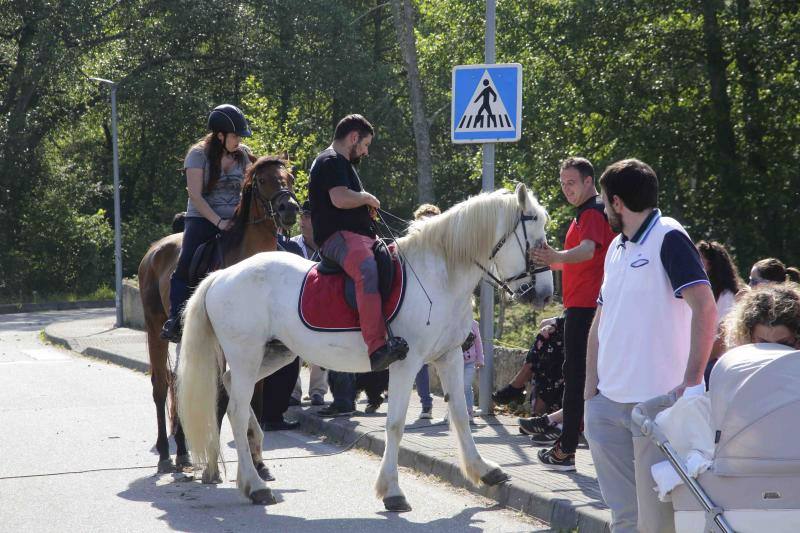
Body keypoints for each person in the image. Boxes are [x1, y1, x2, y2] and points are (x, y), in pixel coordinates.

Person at [583, 159, 717, 533]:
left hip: (654, 407)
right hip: (605, 404)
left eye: (605, 204)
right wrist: (589, 389)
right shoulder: (615, 248)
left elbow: (705, 308)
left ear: (617, 202)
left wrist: (691, 381)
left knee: (658, 523)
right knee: (624, 519)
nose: (604, 210)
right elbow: (600, 321)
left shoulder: (670, 236)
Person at [522, 157, 616, 471]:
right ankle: (569, 444)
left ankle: (566, 451)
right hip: (583, 307)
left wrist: (557, 255)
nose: (566, 189)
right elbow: (575, 260)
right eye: (563, 183)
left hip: (588, 307)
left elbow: (588, 250)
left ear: (589, 181)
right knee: (580, 377)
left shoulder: (592, 211)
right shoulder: (585, 214)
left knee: (577, 378)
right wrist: (548, 259)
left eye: (571, 182)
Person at [307, 113, 408, 373]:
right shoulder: (329, 160)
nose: (365, 152)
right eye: (364, 145)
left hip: (359, 236)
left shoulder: (344, 164)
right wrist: (366, 198)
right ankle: (376, 348)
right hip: (337, 238)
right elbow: (339, 199)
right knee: (366, 269)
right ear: (353, 137)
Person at [161, 104, 253, 342]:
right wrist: (219, 222)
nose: (239, 141)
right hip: (202, 218)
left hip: (235, 220)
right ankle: (176, 320)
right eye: (235, 136)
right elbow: (195, 195)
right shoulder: (197, 154)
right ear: (220, 135)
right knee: (186, 262)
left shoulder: (243, 155)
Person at [258, 233, 304, 431]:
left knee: (289, 363)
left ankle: (274, 415)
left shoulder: (292, 248)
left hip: (284, 315)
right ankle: (177, 314)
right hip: (258, 315)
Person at [290, 200, 327, 407]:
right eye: (302, 216)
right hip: (296, 303)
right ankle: (293, 392)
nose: (303, 221)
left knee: (320, 348)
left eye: (308, 216)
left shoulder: (328, 245)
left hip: (321, 303)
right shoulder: (292, 244)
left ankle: (318, 392)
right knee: (292, 348)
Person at [696, 240, 745, 385]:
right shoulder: (703, 294)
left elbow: (722, 338)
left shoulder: (727, 295)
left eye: (699, 259)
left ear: (711, 264)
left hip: (718, 363)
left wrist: (698, 365)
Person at [411, 203, 441, 419]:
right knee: (418, 361)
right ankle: (426, 404)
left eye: (432, 217)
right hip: (418, 312)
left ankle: (460, 411)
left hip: (441, 310)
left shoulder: (446, 249)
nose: (428, 221)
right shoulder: (411, 247)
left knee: (451, 361)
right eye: (424, 218)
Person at [724, 282, 800, 349]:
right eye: (763, 345)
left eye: (784, 344)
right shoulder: (737, 361)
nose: (773, 353)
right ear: (749, 338)